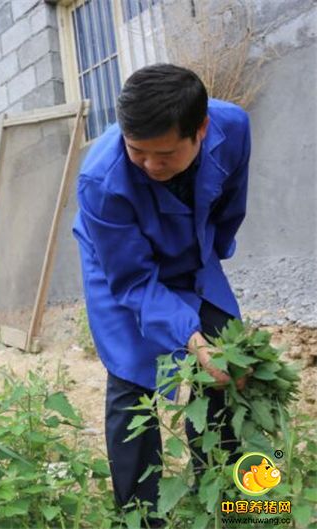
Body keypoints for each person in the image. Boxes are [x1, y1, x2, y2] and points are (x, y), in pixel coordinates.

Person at [72, 64, 251, 519]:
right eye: (138, 152)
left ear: (201, 129)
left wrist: (208, 257)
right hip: (122, 265)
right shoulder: (101, 181)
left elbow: (231, 203)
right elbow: (134, 281)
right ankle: (140, 514)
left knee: (229, 366)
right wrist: (189, 339)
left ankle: (232, 503)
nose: (151, 165)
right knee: (134, 377)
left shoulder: (232, 127)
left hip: (191, 248)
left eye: (165, 154)